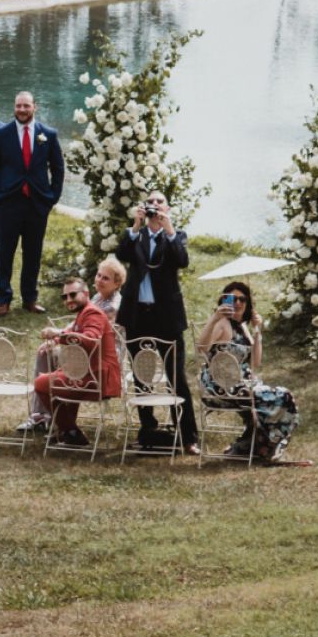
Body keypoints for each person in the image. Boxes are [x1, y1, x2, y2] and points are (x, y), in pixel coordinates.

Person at [116, 194, 199, 454]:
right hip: (137, 315)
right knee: (142, 375)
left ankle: (188, 436)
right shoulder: (136, 235)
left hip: (167, 318)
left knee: (176, 377)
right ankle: (148, 431)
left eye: (159, 202)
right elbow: (121, 254)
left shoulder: (176, 235)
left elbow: (182, 261)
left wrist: (168, 228)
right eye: (149, 202)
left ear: (167, 208)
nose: (154, 206)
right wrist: (137, 225)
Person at [195, 281, 298, 463]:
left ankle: (254, 444)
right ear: (224, 300)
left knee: (280, 396)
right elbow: (201, 348)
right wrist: (214, 318)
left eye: (242, 299)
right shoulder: (223, 323)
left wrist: (257, 332)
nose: (238, 303)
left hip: (242, 384)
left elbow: (255, 362)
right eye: (233, 299)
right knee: (283, 396)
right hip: (221, 385)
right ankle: (261, 446)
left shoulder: (242, 327)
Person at [0, 89, 64, 314]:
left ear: (34, 107)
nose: (22, 110)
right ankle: (3, 299)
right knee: (4, 253)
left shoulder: (48, 134)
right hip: (7, 204)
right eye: (18, 106)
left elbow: (58, 168)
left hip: (37, 204)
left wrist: (52, 197)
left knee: (33, 253)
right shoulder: (0, 134)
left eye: (26, 106)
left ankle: (29, 298)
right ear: (14, 107)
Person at [30, 264, 124, 448]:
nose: (68, 299)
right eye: (64, 297)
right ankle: (67, 431)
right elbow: (73, 330)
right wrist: (57, 339)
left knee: (41, 383)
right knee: (60, 377)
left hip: (97, 377)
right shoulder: (87, 310)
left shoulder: (93, 312)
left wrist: (57, 334)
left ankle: (69, 431)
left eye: (73, 295)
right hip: (85, 372)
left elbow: (91, 339)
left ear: (86, 294)